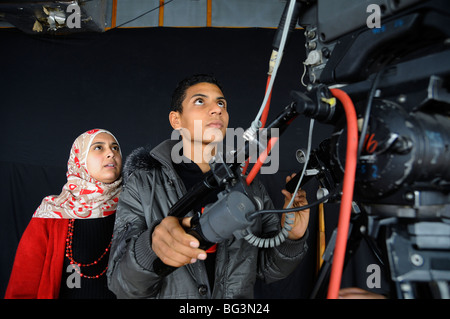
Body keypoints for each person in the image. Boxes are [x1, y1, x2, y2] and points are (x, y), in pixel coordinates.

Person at [107, 74, 310, 298]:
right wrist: (151, 248)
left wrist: (292, 236)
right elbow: (120, 283)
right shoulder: (144, 184)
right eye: (200, 101)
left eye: (221, 103)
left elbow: (267, 269)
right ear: (176, 120)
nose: (217, 109)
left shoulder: (249, 185)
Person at [5, 129, 123, 299]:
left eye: (115, 148)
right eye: (98, 148)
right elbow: (23, 285)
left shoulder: (135, 207)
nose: (111, 153)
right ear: (79, 159)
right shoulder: (50, 213)